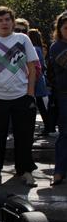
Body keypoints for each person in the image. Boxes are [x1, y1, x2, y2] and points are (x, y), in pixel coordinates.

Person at [0, 6, 39, 187]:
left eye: (7, 19)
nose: (4, 23)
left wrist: (30, 94)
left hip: (22, 97)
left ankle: (25, 171)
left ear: (13, 22)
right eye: (0, 20)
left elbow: (32, 68)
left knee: (25, 137)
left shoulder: (23, 39)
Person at [49, 11, 67, 186]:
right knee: (65, 134)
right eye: (66, 27)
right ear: (60, 29)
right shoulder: (56, 47)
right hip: (64, 97)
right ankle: (59, 171)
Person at [28, 28, 54, 136]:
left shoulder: (33, 49)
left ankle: (47, 127)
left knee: (36, 105)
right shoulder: (38, 48)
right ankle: (48, 127)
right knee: (40, 105)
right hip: (40, 79)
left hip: (36, 80)